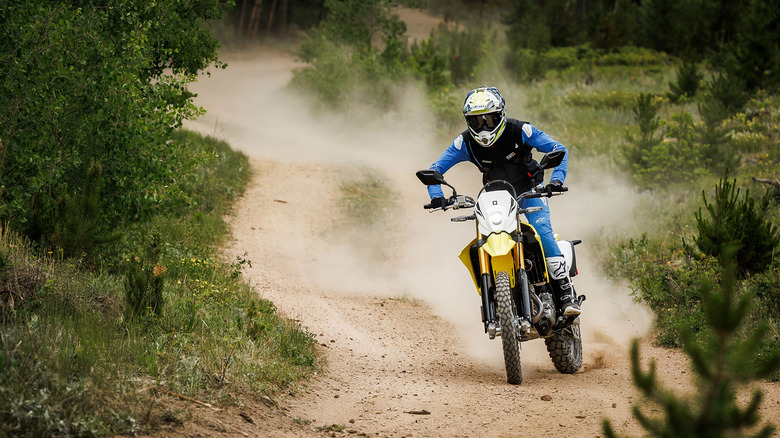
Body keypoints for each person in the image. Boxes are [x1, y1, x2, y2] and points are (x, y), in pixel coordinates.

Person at [424, 86, 580, 316]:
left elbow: (559, 149)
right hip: (495, 198)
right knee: (487, 237)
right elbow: (435, 169)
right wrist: (437, 197)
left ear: (501, 115)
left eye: (489, 119)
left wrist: (556, 181)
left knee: (541, 230)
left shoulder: (520, 131)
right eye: (477, 122)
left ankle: (566, 293)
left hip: (530, 191)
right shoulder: (465, 143)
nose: (484, 127)